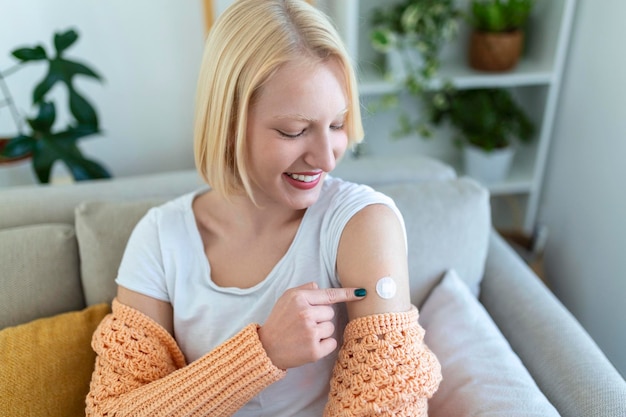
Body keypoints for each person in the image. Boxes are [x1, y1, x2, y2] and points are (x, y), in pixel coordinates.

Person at [86, 0, 441, 415]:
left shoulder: (360, 225)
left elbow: (387, 405)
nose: (326, 158)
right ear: (230, 120)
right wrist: (263, 353)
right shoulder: (161, 238)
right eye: (295, 131)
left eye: (337, 125)